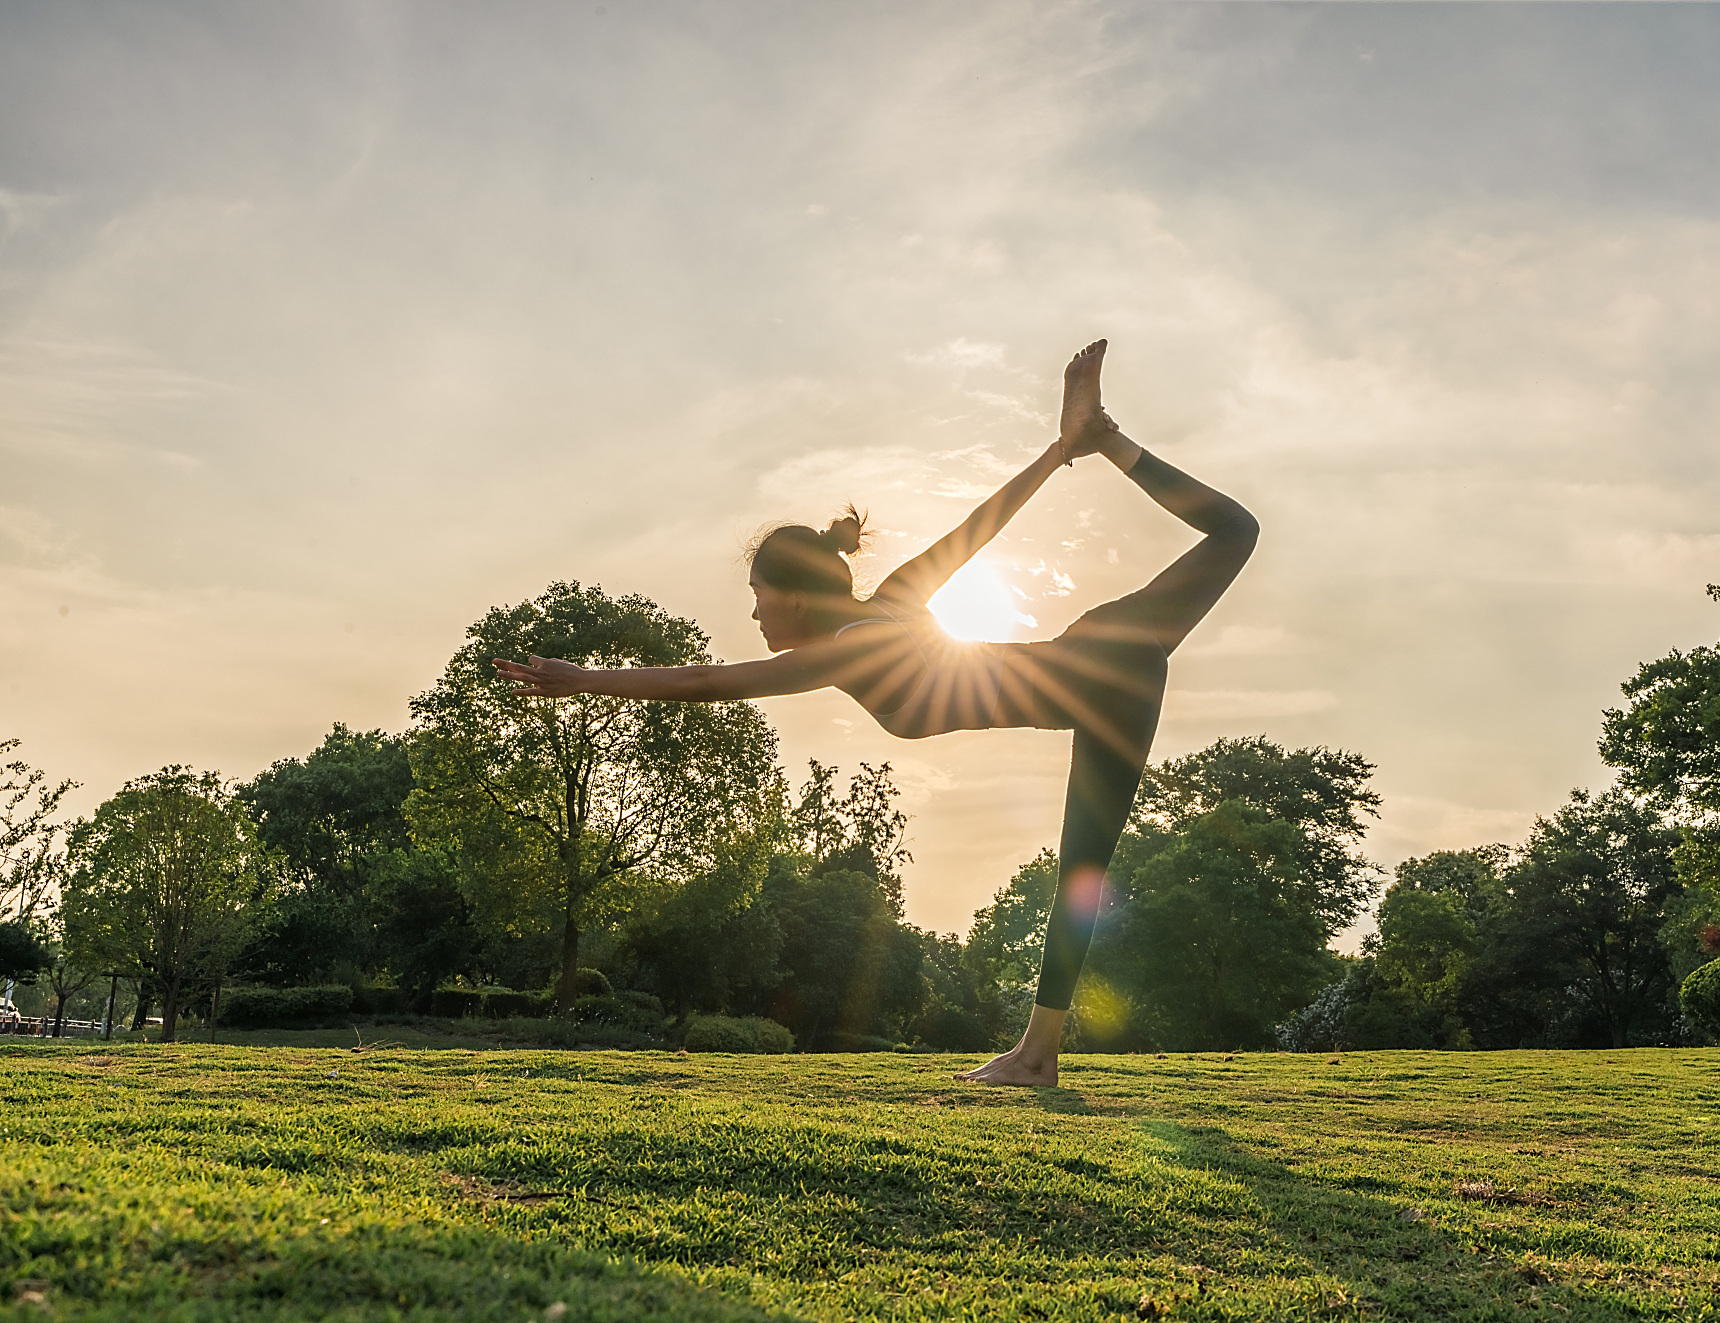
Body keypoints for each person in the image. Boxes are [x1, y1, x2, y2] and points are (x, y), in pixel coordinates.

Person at [495, 341, 1257, 1085]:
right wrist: (1060, 453)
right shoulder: (890, 602)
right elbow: (979, 527)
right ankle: (1104, 437)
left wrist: (585, 678)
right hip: (1099, 656)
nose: (755, 617)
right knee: (1237, 532)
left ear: (795, 597)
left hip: (1109, 673)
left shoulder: (850, 648)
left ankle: (1035, 1056)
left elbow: (710, 681)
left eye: (758, 599)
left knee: (1081, 871)